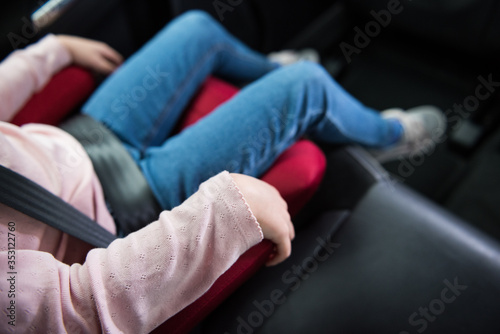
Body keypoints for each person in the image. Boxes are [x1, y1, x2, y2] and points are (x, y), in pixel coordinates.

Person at [0, 10, 446, 333]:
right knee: (306, 87)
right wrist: (226, 214)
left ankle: (268, 68)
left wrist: (51, 50)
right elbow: (73, 313)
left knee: (197, 29)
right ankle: (389, 137)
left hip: (80, 137)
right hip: (121, 204)